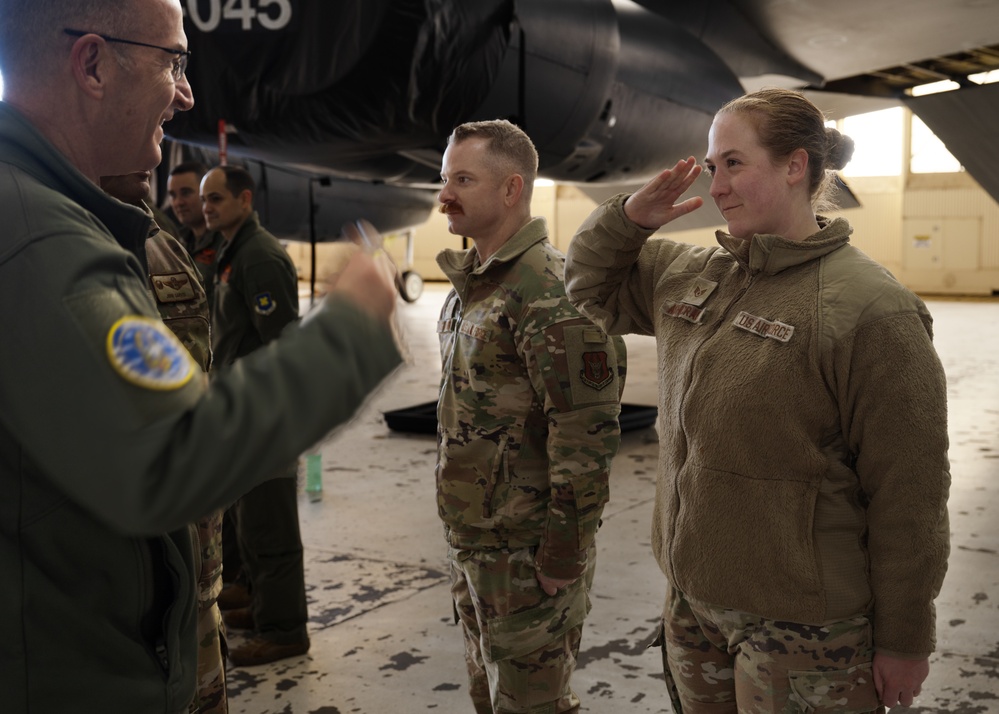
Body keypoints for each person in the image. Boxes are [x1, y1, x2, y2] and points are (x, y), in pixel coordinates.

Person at [0, 2, 400, 711]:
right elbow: (168, 460)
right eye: (173, 62)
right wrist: (349, 332)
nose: (185, 93)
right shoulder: (41, 242)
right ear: (91, 63)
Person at [564, 88, 951, 713]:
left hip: (804, 629)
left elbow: (911, 491)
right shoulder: (691, 273)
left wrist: (906, 638)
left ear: (795, 166)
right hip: (693, 606)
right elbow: (587, 284)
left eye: (734, 163)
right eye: (714, 167)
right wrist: (628, 219)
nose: (717, 185)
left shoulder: (870, 309)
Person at [434, 119, 627, 714]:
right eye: (445, 178)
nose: (445, 195)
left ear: (512, 189)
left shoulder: (549, 289)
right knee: (489, 695)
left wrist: (562, 553)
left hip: (525, 550)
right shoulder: (473, 284)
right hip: (477, 541)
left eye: (463, 179)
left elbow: (585, 434)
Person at [101, 171, 228, 714]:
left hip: (194, 560)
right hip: (107, 583)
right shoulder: (47, 235)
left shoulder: (162, 246)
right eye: (168, 76)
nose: (184, 98)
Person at [199, 164, 310, 667]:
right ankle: (265, 608)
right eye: (205, 200)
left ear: (245, 199)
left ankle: (285, 631)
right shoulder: (231, 251)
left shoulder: (260, 256)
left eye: (216, 198)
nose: (207, 208)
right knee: (248, 526)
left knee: (271, 531)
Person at [168, 160, 223, 296]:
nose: (178, 202)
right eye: (173, 195)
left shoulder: (225, 241)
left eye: (186, 193)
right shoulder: (176, 242)